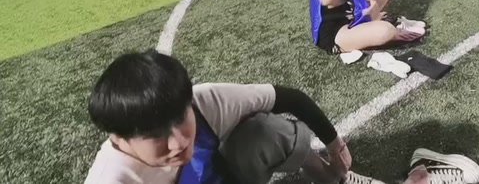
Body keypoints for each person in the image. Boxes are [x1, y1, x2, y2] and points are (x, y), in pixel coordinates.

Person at [84, 50, 382, 184]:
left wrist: (335, 147)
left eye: (180, 119)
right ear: (120, 138)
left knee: (264, 132)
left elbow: (291, 98)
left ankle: (334, 180)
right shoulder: (112, 178)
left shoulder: (203, 102)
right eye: (156, 135)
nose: (178, 141)